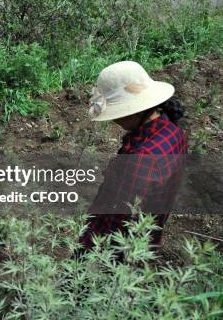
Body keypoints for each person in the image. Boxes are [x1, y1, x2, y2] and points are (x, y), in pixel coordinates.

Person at [79, 61, 187, 256]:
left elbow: (116, 221)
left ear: (136, 110)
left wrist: (84, 253)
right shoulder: (173, 132)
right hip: (145, 240)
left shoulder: (140, 159)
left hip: (116, 253)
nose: (113, 119)